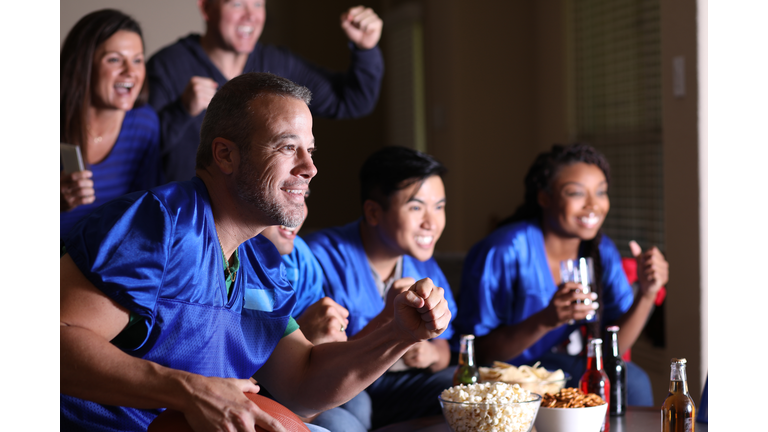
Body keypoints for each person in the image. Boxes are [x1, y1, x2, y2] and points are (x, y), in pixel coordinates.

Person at [60, 72, 451, 432]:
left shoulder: (261, 261)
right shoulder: (157, 223)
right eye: (287, 147)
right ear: (225, 155)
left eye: (311, 151)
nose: (310, 167)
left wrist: (398, 334)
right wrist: (188, 390)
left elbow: (302, 383)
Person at [453, 143, 668, 406]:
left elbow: (612, 351)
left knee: (633, 382)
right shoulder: (503, 250)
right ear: (544, 197)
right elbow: (479, 353)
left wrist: (647, 293)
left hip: (555, 369)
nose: (593, 205)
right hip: (503, 375)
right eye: (576, 193)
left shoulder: (601, 251)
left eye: (601, 192)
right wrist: (546, 319)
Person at [305, 146, 458, 430]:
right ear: (373, 212)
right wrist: (390, 320)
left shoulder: (422, 263)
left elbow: (445, 345)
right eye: (416, 207)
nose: (431, 222)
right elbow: (310, 365)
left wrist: (433, 354)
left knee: (463, 389)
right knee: (354, 408)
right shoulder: (319, 257)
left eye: (439, 207)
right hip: (342, 384)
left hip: (397, 385)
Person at [147, 0, 385, 183]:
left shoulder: (278, 64)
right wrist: (181, 110)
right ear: (206, 8)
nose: (250, 15)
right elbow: (136, 151)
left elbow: (352, 101)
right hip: (185, 220)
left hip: (257, 224)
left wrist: (366, 48)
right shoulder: (168, 65)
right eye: (237, 3)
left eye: (258, 3)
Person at [259, 198, 372, 432]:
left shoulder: (299, 257)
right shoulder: (236, 258)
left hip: (298, 378)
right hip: (264, 384)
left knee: (359, 402)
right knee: (341, 424)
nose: (298, 211)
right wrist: (303, 337)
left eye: (304, 195)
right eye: (285, 191)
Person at [60, 9, 162, 238]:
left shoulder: (144, 124)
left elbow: (145, 212)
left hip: (103, 264)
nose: (130, 72)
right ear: (84, 65)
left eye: (137, 60)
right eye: (115, 59)